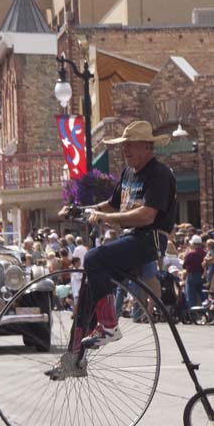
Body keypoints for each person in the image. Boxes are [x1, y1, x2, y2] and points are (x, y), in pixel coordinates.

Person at [55, 120, 176, 356]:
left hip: (149, 240)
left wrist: (104, 218)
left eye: (130, 145)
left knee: (93, 258)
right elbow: (111, 205)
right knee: (89, 293)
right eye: (124, 145)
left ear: (146, 147)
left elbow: (146, 216)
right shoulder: (129, 173)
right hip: (129, 240)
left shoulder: (159, 175)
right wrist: (80, 209)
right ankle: (73, 356)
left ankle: (109, 325)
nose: (125, 150)